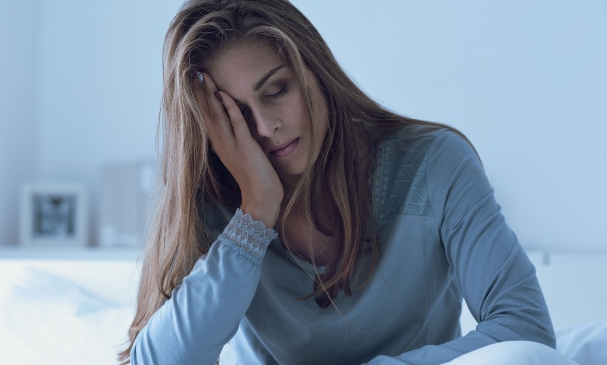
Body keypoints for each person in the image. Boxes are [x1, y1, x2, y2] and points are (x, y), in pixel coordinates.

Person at [119, 0, 566, 364]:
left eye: (276, 90)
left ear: (315, 72)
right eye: (233, 117)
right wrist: (254, 215)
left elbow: (526, 331)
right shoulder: (215, 203)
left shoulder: (433, 163)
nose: (265, 127)